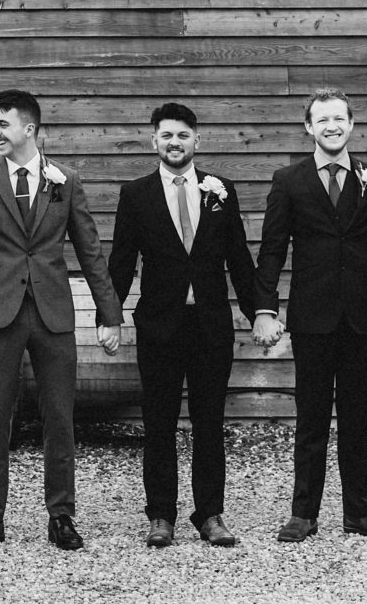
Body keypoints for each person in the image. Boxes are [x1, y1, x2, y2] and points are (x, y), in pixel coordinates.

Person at [252, 88, 367, 543]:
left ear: (351, 124)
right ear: (308, 128)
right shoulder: (288, 180)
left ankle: (360, 513)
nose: (332, 126)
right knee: (311, 417)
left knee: (357, 419)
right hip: (312, 319)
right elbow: (272, 249)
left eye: (339, 118)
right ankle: (303, 513)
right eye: (322, 119)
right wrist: (265, 309)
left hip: (362, 318)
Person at [0, 88, 122, 552]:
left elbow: (89, 249)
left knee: (60, 417)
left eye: (2, 124)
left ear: (29, 129)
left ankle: (61, 516)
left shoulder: (64, 179)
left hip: (52, 312)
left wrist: (110, 315)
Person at [108, 102, 260, 549]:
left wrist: (261, 313)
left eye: (183, 135)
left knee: (210, 422)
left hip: (211, 326)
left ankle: (210, 513)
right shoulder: (135, 194)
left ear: (198, 141)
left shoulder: (221, 191)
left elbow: (240, 261)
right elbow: (121, 261)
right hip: (159, 326)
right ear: (154, 141)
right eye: (167, 135)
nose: (175, 142)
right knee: (158, 422)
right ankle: (161, 515)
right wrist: (109, 316)